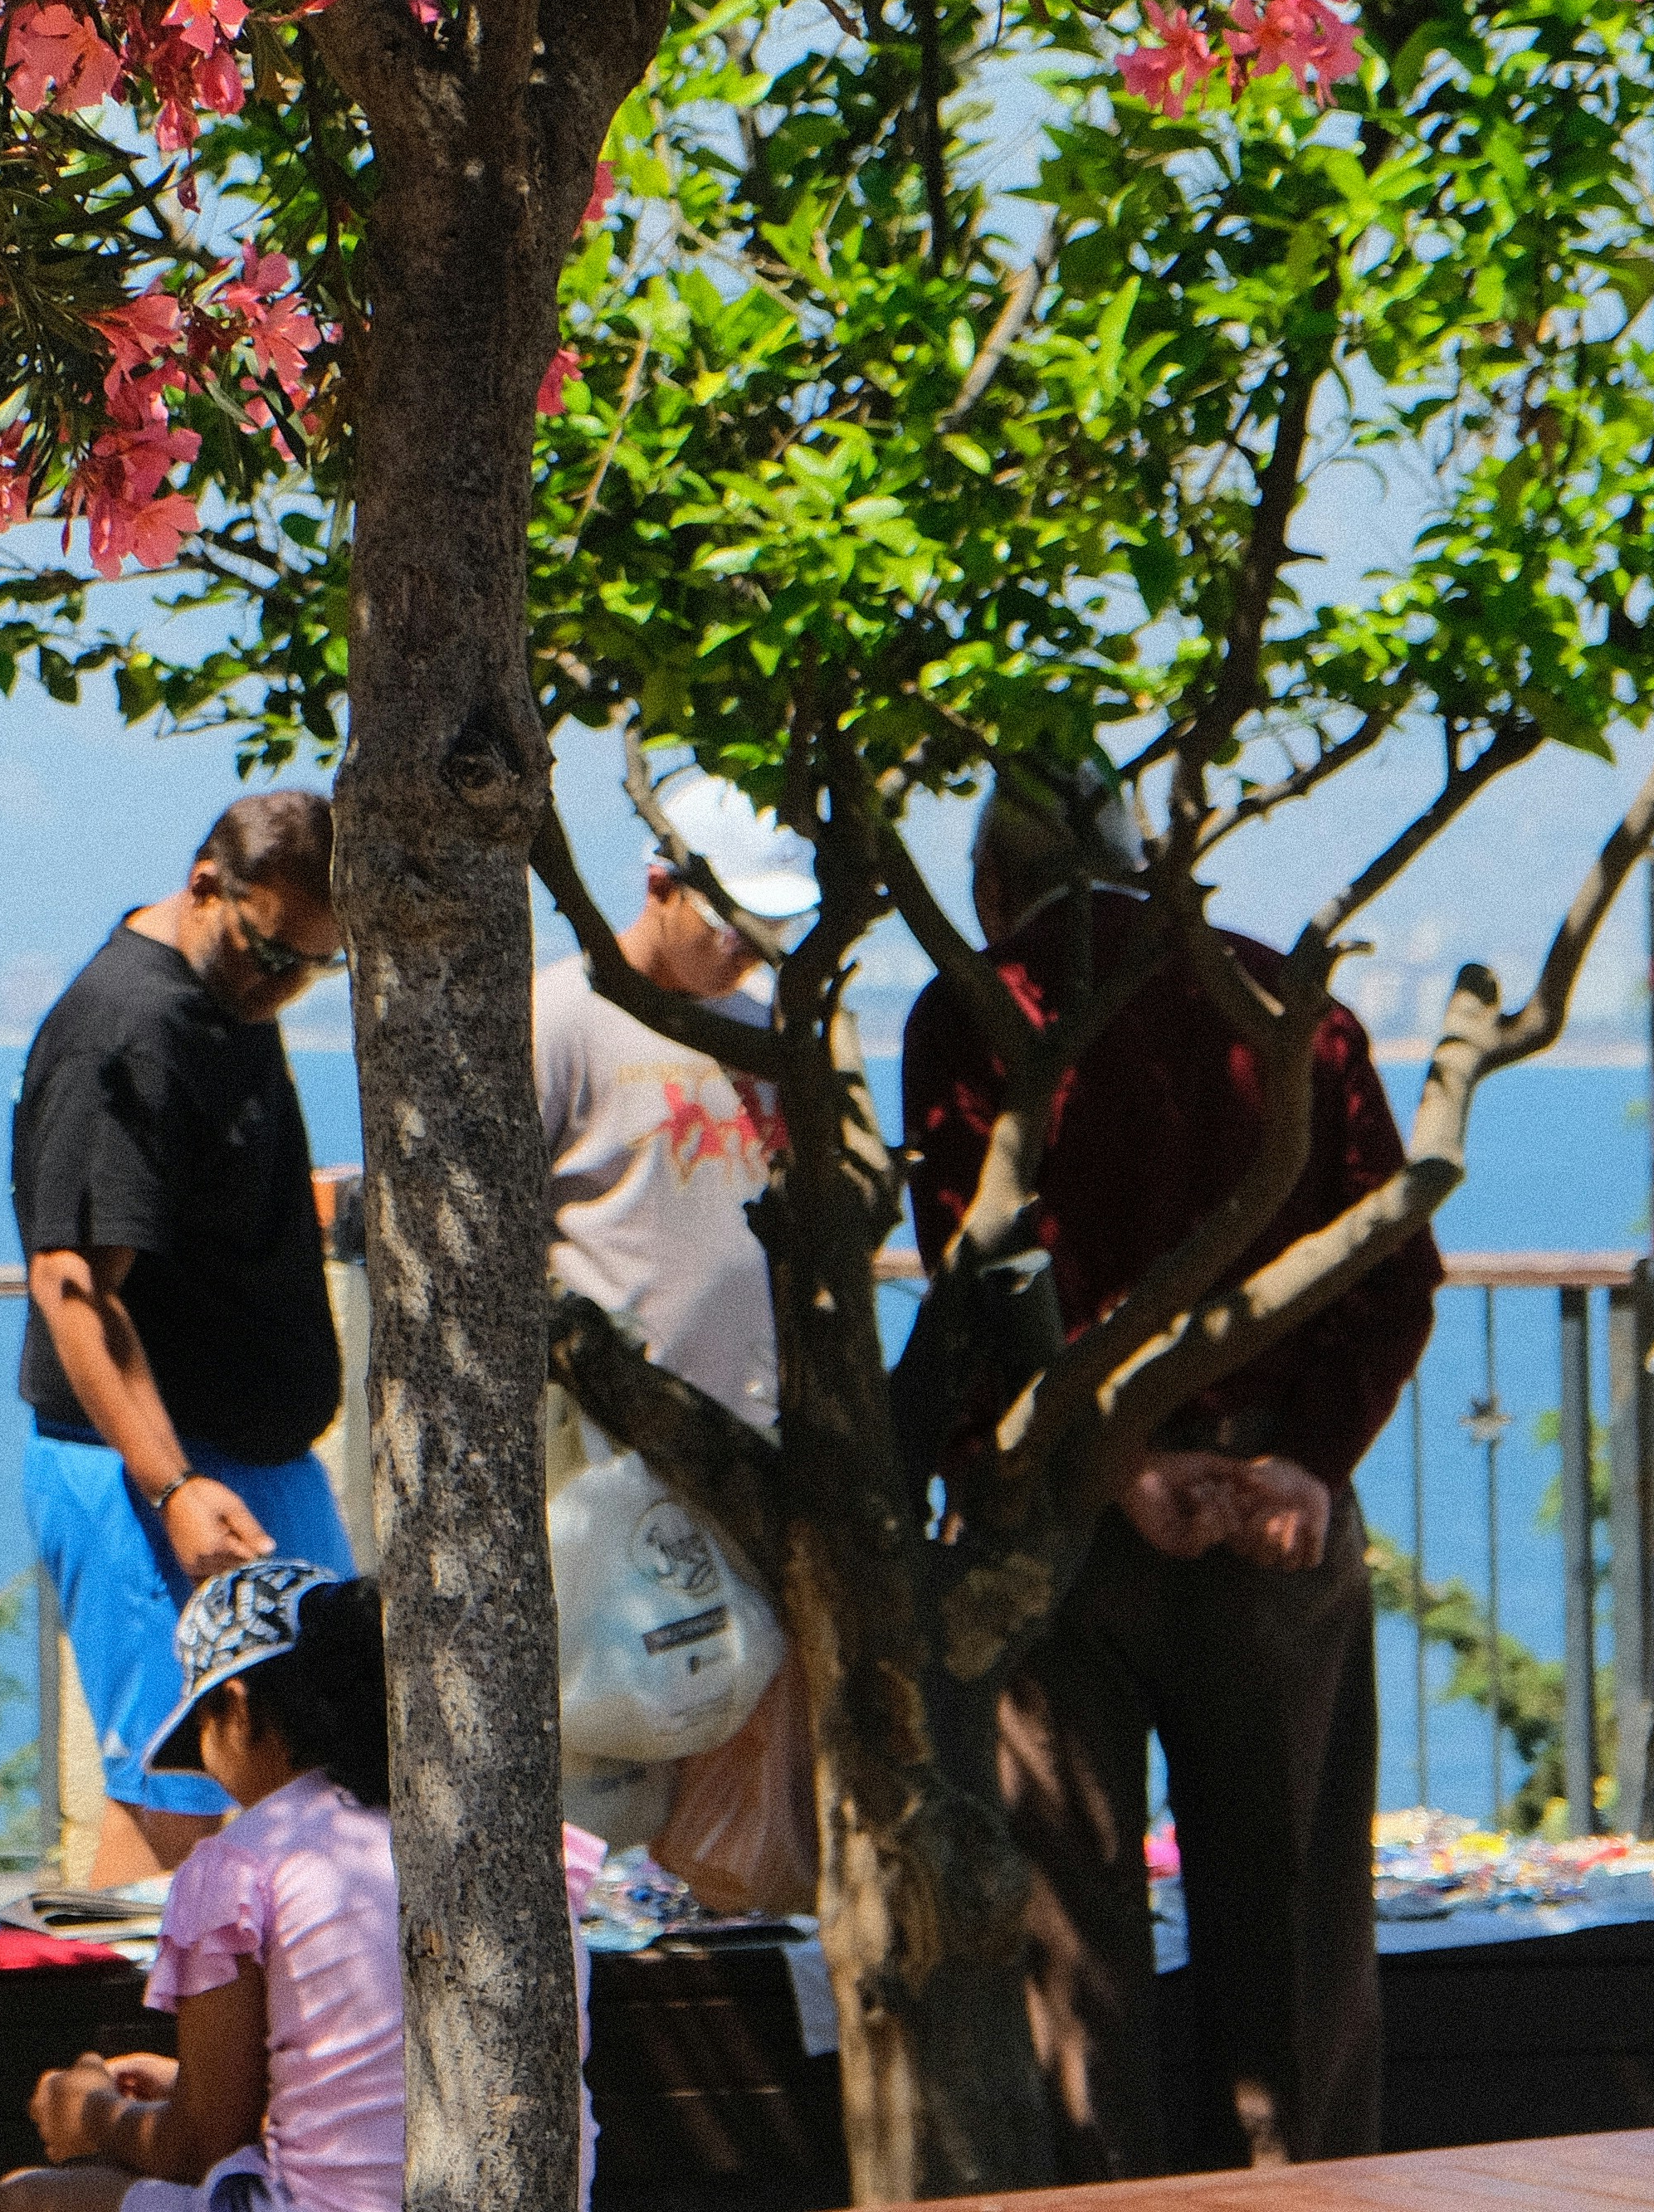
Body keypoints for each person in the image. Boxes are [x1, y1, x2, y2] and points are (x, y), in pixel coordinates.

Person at [902, 764, 1439, 2179]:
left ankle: (1106, 2205)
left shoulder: (971, 1012)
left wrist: (1114, 1460)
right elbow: (1394, 1274)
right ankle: (1302, 2197)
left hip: (1064, 1525)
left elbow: (983, 1280)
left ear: (991, 886)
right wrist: (1307, 1464)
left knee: (1076, 1951)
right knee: (1295, 1927)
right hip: (1273, 1516)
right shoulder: (1285, 1007)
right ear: (1148, 859)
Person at [0, 1564, 596, 2212]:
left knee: (22, 2200)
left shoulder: (239, 1865)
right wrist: (196, 2086)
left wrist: (92, 2115)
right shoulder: (513, 1834)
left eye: (202, 1732)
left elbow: (199, 2150)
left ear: (238, 1707)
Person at [15, 790, 355, 1882]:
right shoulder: (130, 1029)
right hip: (147, 1468)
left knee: (325, 1765)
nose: (279, 984)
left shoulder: (231, 1005)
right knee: (182, 1813)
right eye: (267, 953)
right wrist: (170, 1489)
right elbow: (73, 1281)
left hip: (258, 1455)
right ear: (205, 881)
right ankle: (143, 2053)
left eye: (312, 967)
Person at [534, 776, 815, 1910]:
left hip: (749, 1434)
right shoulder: (563, 1019)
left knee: (732, 1713)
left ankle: (714, 1926)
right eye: (730, 923)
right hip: (609, 1444)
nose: (750, 952)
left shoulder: (767, 1035)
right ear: (660, 885)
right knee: (607, 1715)